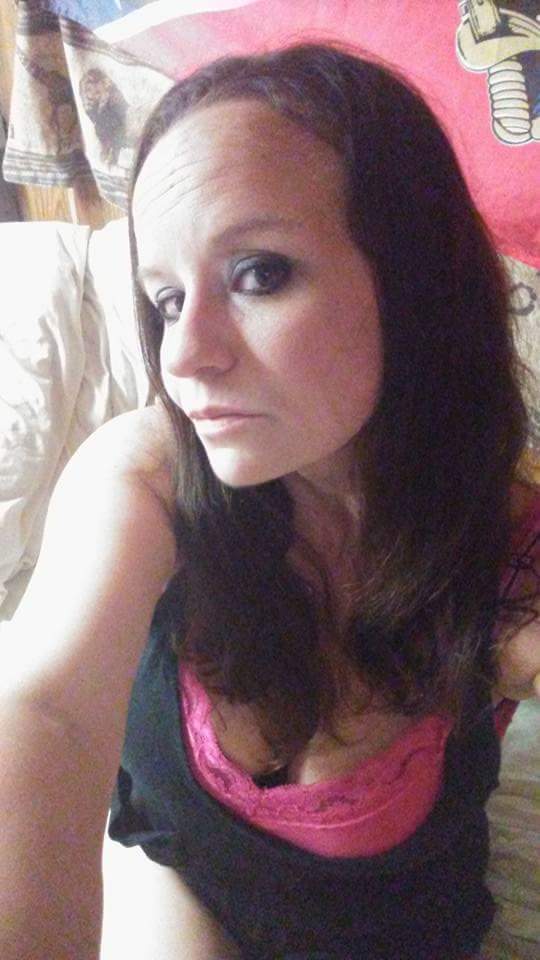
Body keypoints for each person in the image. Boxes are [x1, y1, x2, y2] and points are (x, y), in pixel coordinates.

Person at [1, 42, 539, 960]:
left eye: (258, 273)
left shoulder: (506, 544)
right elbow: (45, 711)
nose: (182, 356)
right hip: (175, 865)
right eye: (166, 300)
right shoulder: (147, 474)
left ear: (417, 282)